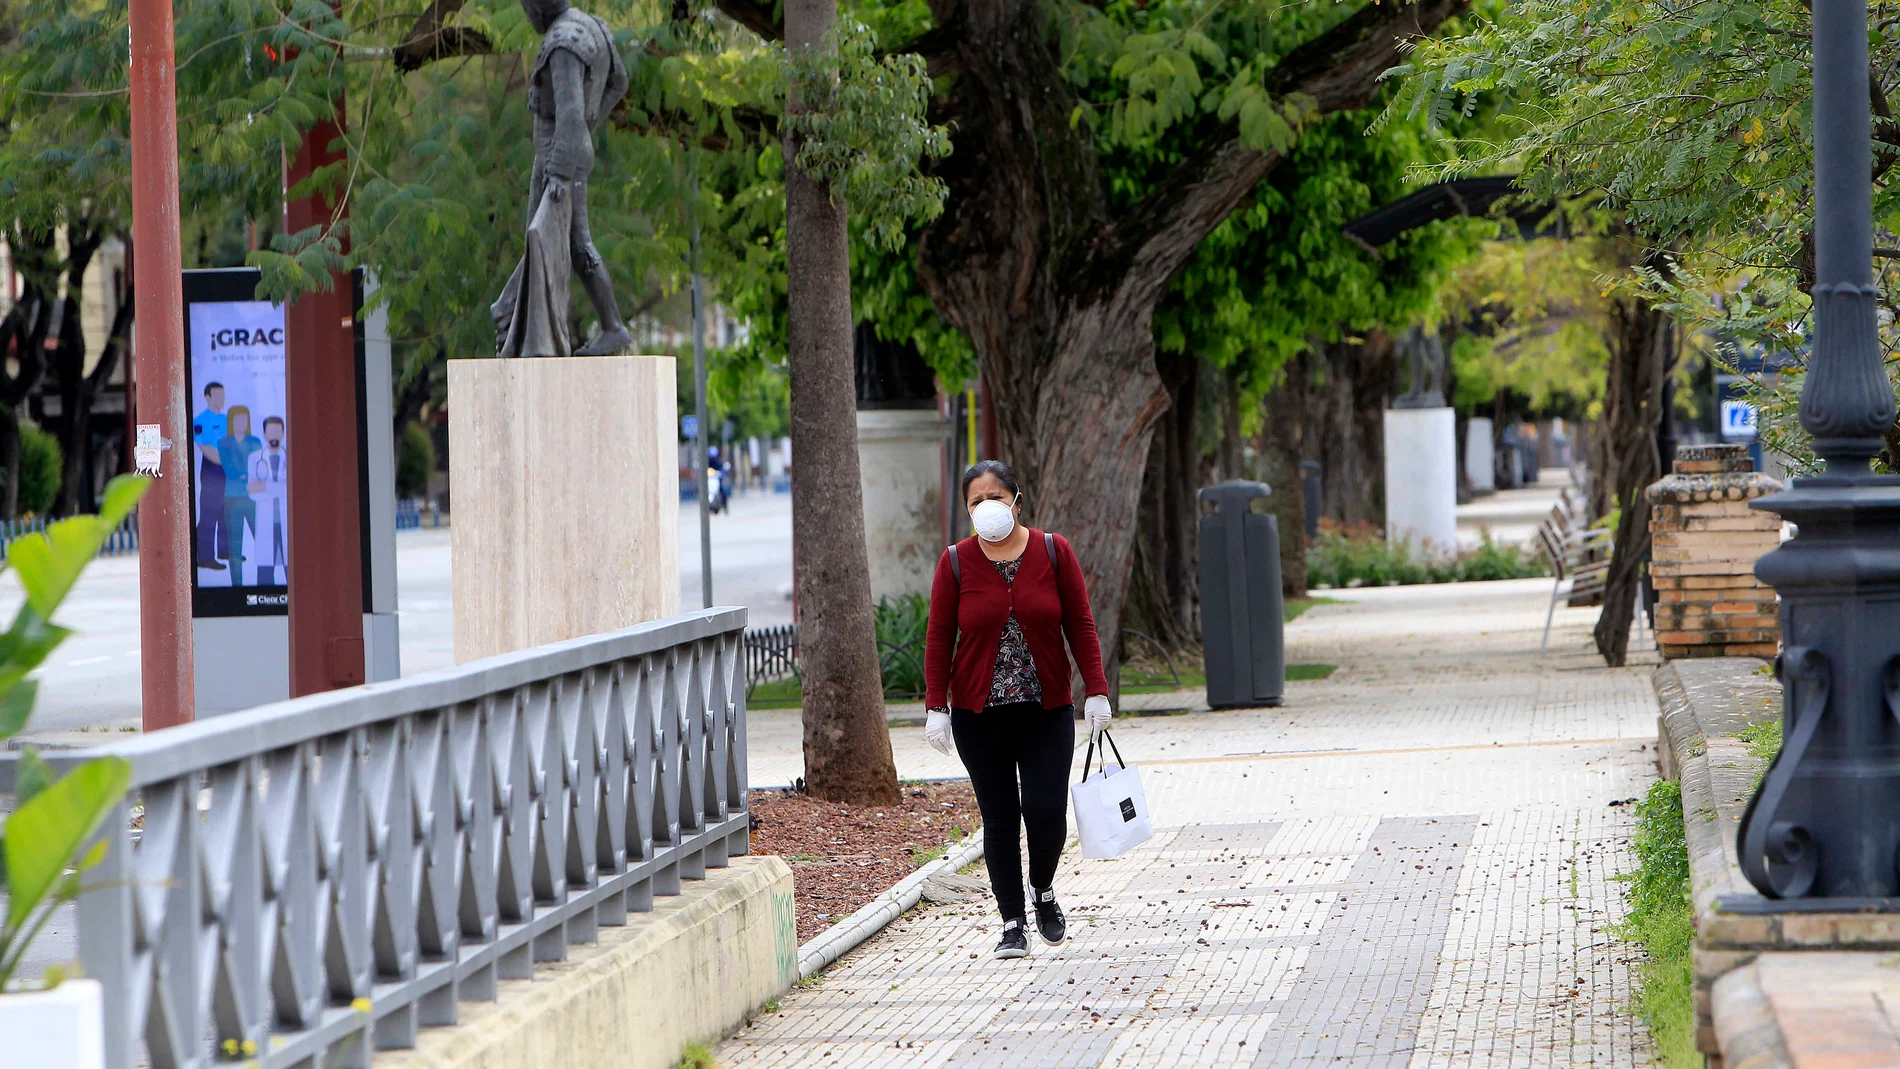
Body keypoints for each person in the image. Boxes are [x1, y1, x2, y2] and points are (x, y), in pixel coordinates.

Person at [922, 460, 1112, 960]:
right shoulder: (956, 562)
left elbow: (1081, 623)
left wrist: (1095, 690)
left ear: (1017, 501)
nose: (987, 507)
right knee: (1000, 817)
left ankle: (1043, 889)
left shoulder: (1054, 551)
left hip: (1045, 708)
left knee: (1046, 809)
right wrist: (935, 705)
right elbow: (940, 635)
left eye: (995, 497)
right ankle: (1011, 922)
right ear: (967, 511)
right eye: (975, 501)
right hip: (978, 715)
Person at [490, 0, 632, 357]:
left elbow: (569, 112)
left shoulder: (562, 42)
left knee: (573, 241)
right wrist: (590, 123)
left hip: (559, 158)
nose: (525, 15)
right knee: (550, 238)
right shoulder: (591, 25)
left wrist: (558, 170)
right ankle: (509, 309)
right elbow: (620, 82)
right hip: (566, 151)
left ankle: (613, 327)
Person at [217, 407, 262, 585]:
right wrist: (247, 473)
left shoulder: (255, 441)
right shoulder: (224, 442)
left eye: (244, 420)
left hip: (253, 499)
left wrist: (247, 473)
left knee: (262, 542)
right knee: (235, 548)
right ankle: (237, 586)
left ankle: (265, 583)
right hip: (232, 499)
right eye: (237, 420)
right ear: (231, 422)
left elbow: (258, 468)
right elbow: (231, 470)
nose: (241, 424)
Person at [246, 416, 288, 585]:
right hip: (265, 523)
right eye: (271, 432)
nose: (274, 435)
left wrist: (264, 486)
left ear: (283, 434)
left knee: (293, 573)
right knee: (264, 575)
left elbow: (296, 492)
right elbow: (252, 493)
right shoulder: (255, 458)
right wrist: (282, 487)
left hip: (287, 524)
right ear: (264, 434)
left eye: (278, 431)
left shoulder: (293, 457)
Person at [193, 383, 227, 570]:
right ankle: (205, 557)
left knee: (226, 510)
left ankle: (225, 551)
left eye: (223, 395)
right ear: (207, 397)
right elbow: (205, 448)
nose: (222, 399)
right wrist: (225, 461)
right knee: (209, 513)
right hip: (212, 469)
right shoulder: (200, 421)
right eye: (217, 395)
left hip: (229, 469)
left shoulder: (226, 419)